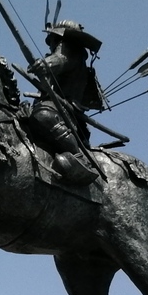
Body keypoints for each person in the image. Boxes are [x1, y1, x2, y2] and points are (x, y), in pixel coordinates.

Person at [25, 20, 106, 184]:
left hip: (63, 110)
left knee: (43, 115)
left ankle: (78, 157)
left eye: (53, 39)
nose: (51, 44)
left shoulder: (71, 51)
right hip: (53, 104)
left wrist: (45, 64)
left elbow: (60, 59)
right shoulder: (67, 54)